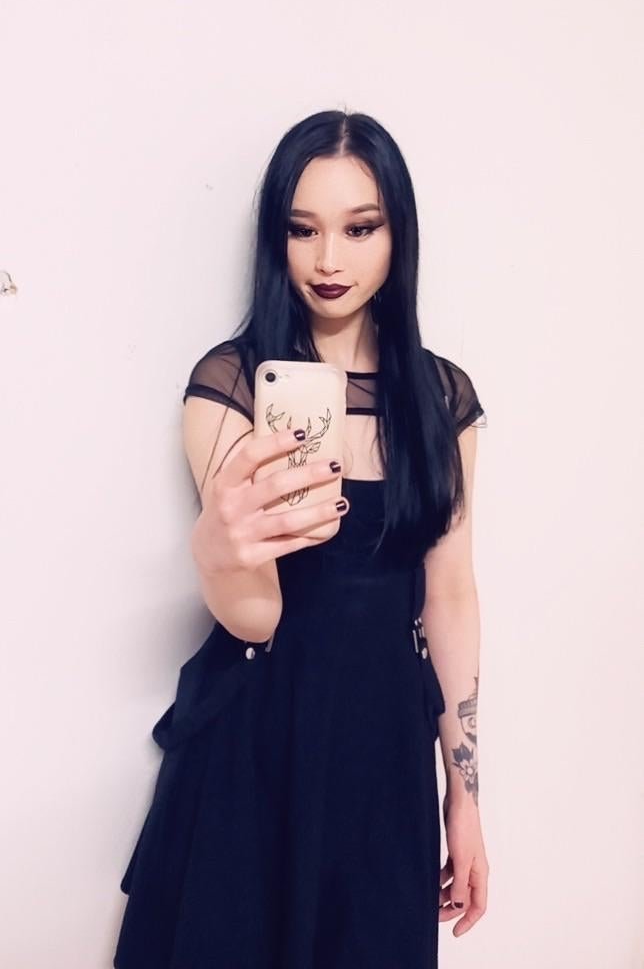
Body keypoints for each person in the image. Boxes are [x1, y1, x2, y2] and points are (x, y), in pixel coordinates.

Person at [113, 109, 490, 968]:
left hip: (386, 748)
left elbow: (450, 595)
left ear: (398, 234)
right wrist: (218, 549)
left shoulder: (441, 399)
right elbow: (256, 618)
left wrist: (464, 797)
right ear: (274, 237)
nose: (328, 261)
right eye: (302, 229)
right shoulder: (231, 385)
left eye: (360, 228)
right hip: (259, 738)